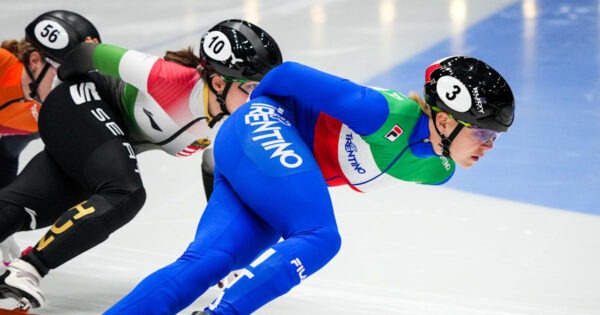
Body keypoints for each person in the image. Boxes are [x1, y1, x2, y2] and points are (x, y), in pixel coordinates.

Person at [102, 56, 515, 315]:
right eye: (483, 133)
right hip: (261, 131)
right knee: (320, 236)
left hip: (263, 165)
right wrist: (252, 118)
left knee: (209, 262)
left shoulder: (437, 170)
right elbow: (287, 74)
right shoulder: (385, 114)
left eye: (494, 137)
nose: (489, 146)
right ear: (444, 120)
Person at [0, 18, 282, 309]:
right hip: (79, 103)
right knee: (125, 193)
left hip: (97, 141)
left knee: (22, 208)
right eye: (251, 88)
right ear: (219, 82)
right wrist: (57, 102)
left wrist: (226, 253)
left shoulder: (227, 127)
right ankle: (29, 267)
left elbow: (218, 191)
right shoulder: (167, 77)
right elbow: (83, 55)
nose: (257, 100)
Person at [0, 10, 101, 266]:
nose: (66, 86)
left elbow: (6, 155)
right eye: (61, 75)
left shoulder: (49, 110)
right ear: (34, 60)